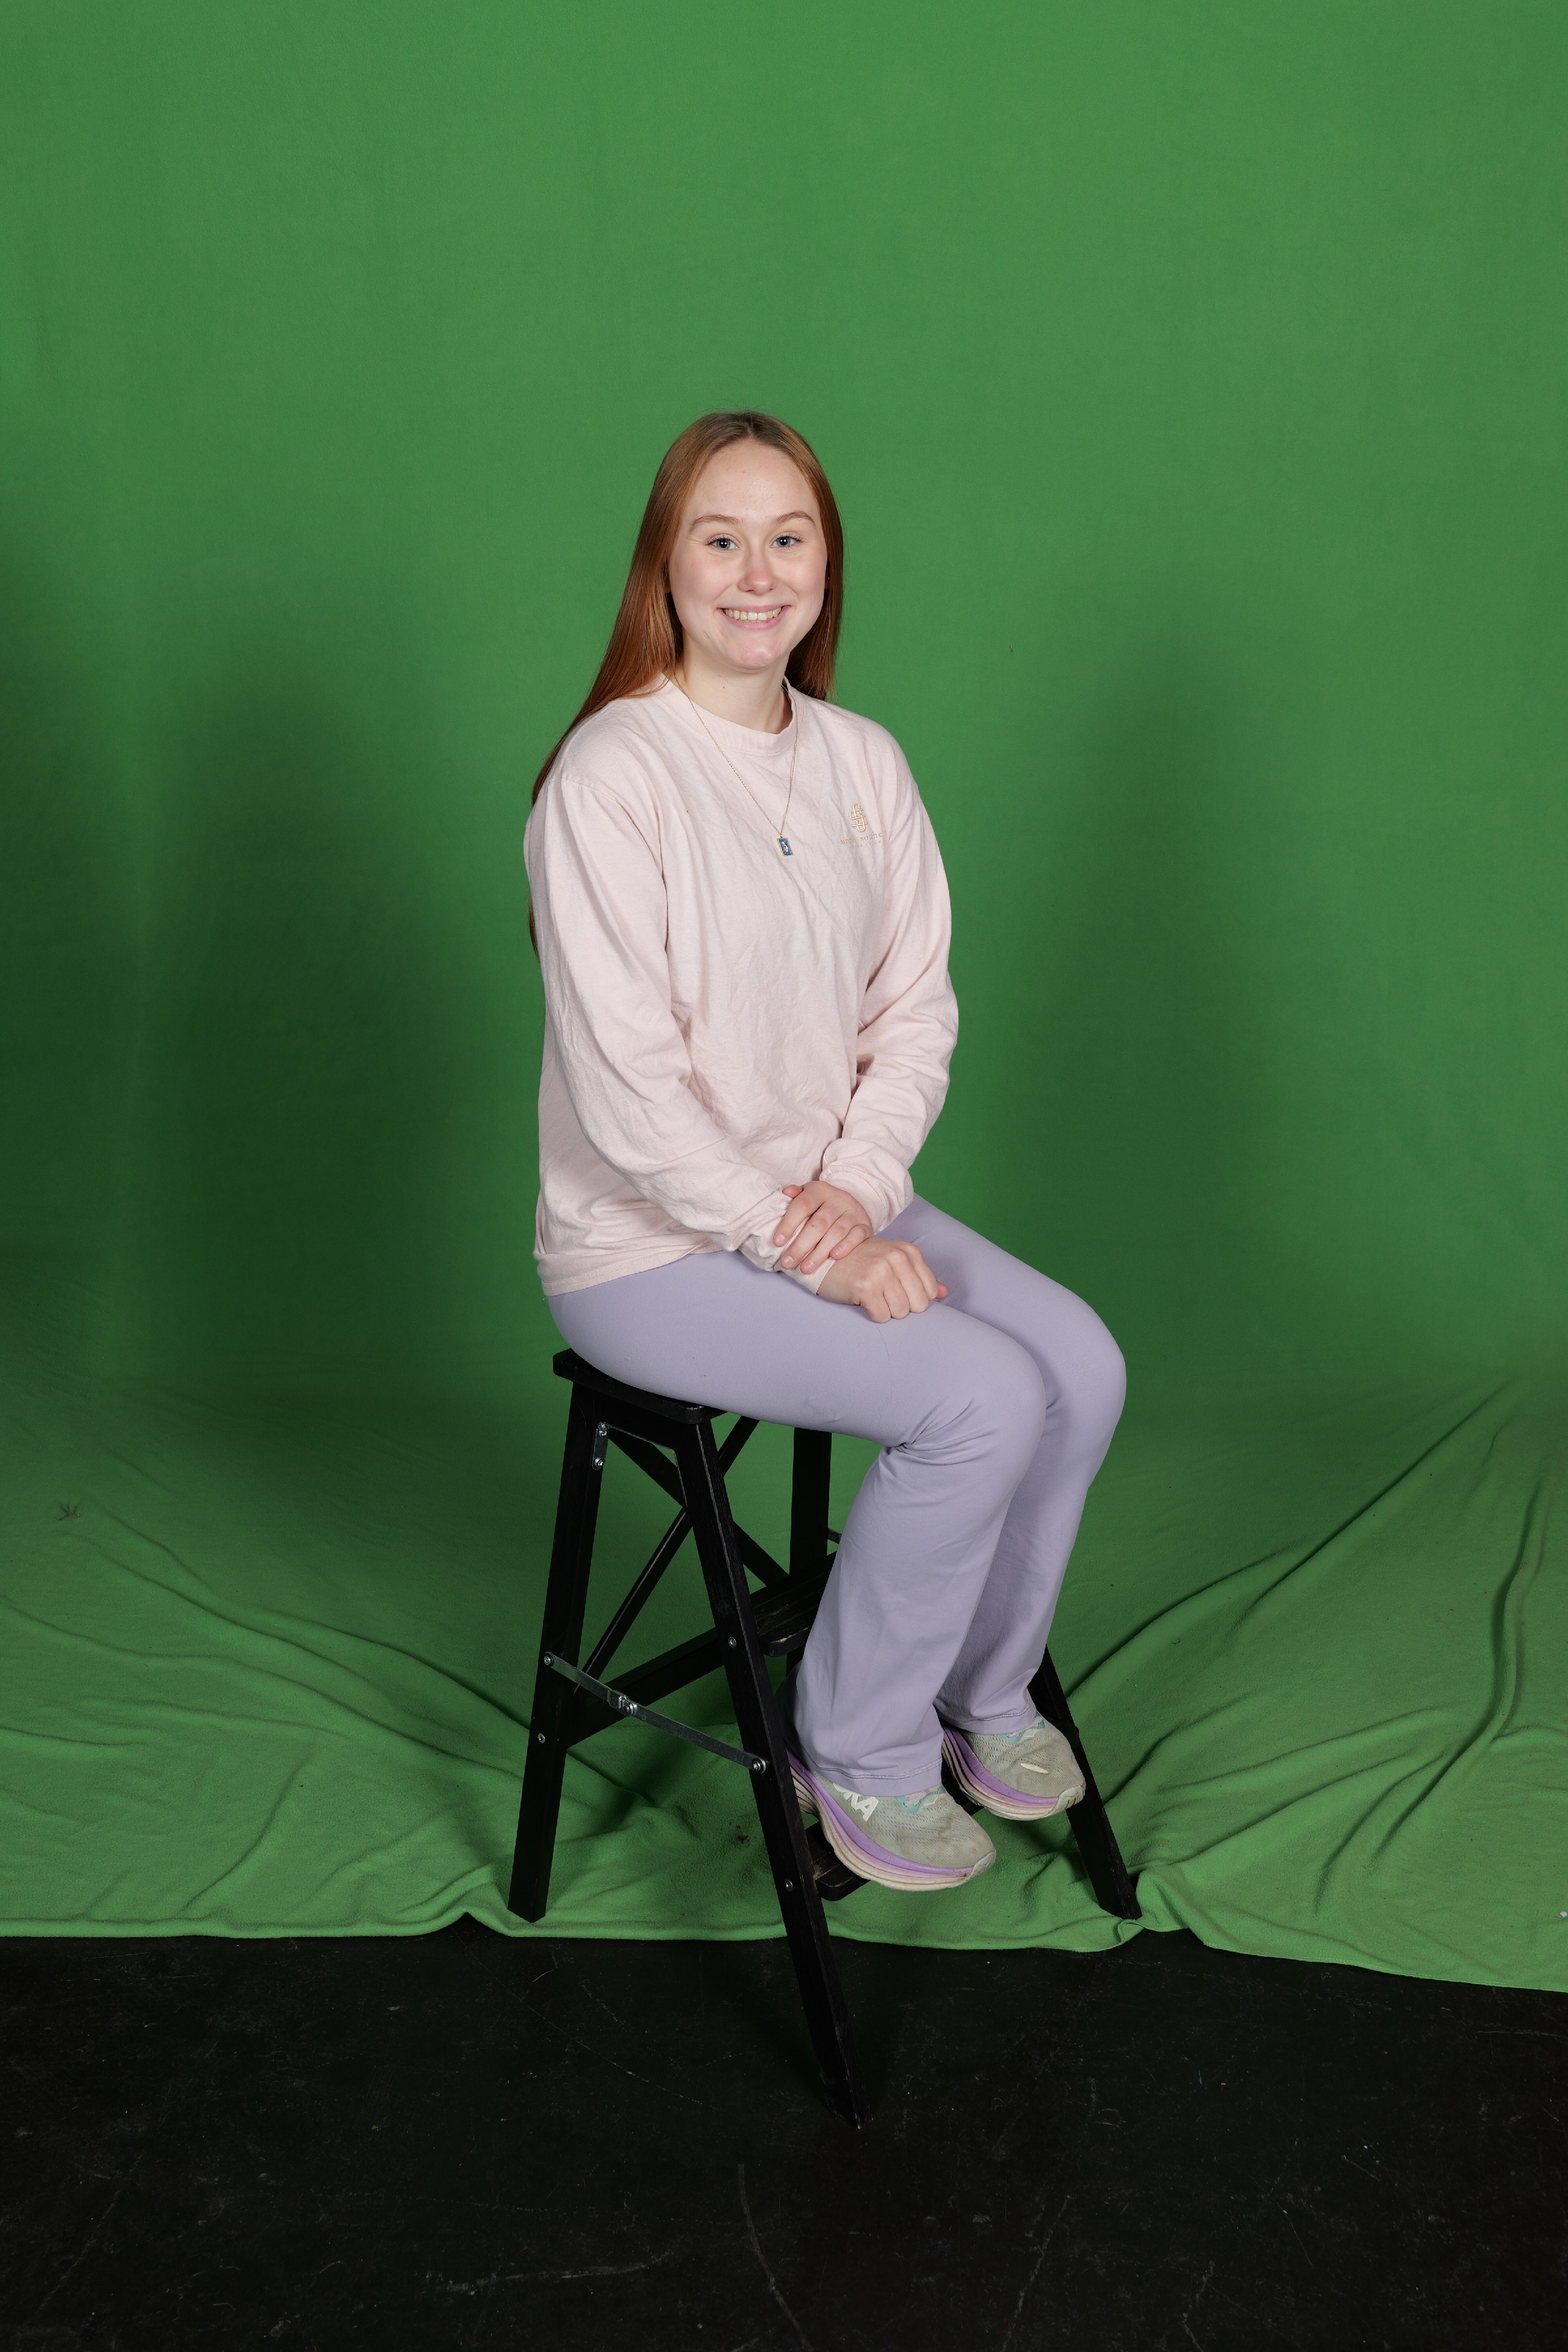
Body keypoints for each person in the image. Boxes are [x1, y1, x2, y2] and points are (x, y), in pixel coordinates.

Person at [525, 410, 1125, 1893]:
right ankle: (856, 1748)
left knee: (1081, 1365)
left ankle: (978, 1689)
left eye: (787, 538)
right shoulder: (612, 776)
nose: (757, 573)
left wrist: (853, 1197)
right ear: (665, 566)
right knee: (980, 1397)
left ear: (826, 565)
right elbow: (628, 1092)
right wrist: (810, 1245)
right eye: (720, 538)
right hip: (648, 1248)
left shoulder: (864, 760)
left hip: (836, 1204)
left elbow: (911, 1013)